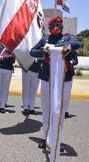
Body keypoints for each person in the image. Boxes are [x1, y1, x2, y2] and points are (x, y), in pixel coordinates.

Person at [30, 15, 81, 151]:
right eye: (54, 26)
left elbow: (77, 44)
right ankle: (45, 137)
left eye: (59, 26)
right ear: (50, 27)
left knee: (59, 110)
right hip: (47, 78)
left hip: (64, 79)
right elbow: (32, 52)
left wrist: (56, 47)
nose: (57, 28)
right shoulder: (45, 39)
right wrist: (43, 50)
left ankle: (56, 139)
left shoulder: (67, 38)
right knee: (46, 110)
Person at [0, 47, 15, 113]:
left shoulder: (12, 45)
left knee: (5, 88)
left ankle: (2, 106)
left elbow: (13, 58)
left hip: (7, 68)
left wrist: (2, 58)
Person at [64, 49, 78, 118]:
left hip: (69, 74)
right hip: (59, 74)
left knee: (67, 94)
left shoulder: (73, 50)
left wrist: (70, 62)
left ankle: (65, 111)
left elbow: (76, 61)